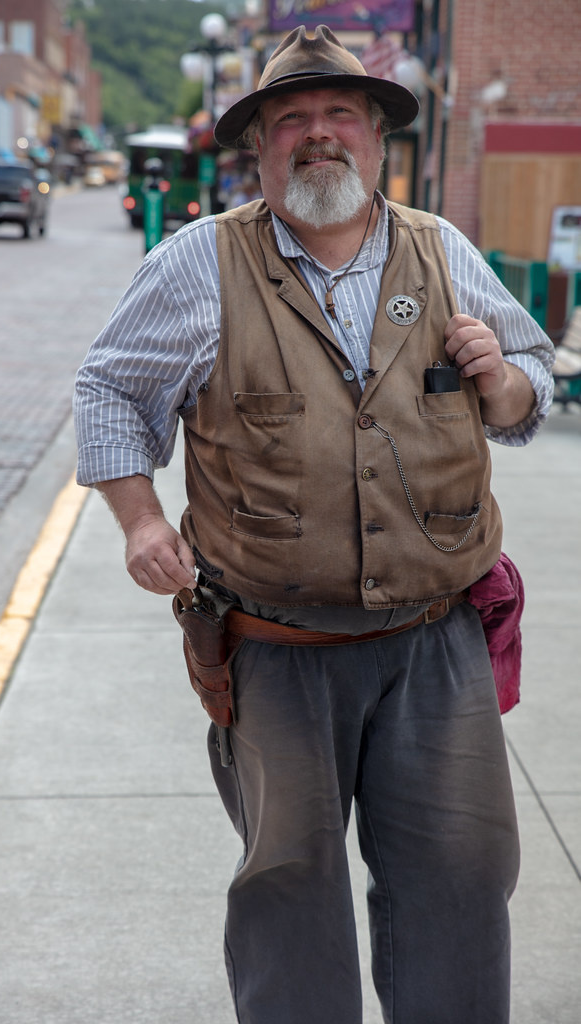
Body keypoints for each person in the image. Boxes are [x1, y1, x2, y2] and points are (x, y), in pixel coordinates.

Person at [74, 25, 554, 1024]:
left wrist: (502, 380)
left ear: (376, 140)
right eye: (290, 118)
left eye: (340, 113)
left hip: (435, 638)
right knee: (289, 884)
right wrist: (138, 521)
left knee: (462, 877)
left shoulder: (442, 249)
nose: (318, 133)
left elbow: (528, 385)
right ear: (259, 148)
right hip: (274, 646)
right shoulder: (196, 264)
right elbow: (109, 388)